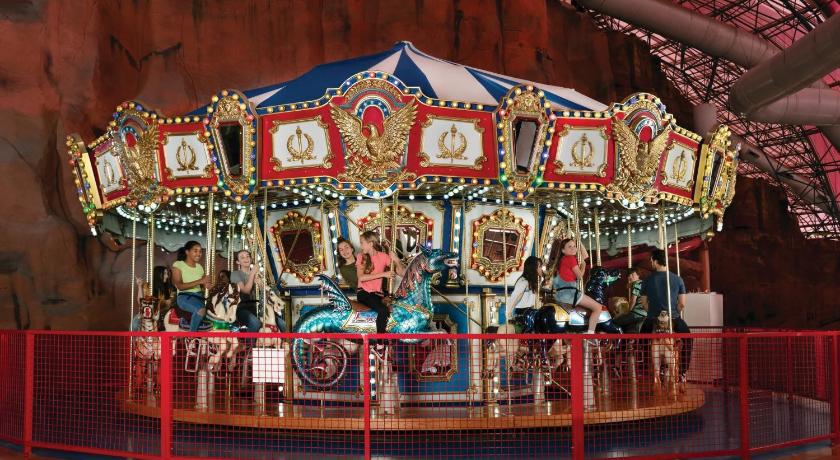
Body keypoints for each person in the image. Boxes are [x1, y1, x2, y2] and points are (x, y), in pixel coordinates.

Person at [639, 249, 691, 382]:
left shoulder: (647, 280)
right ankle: (683, 371)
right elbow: (682, 304)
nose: (651, 263)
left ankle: (644, 369)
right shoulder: (678, 279)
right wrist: (674, 313)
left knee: (642, 340)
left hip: (652, 319)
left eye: (652, 260)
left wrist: (652, 312)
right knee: (688, 338)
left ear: (656, 261)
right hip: (673, 319)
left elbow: (643, 303)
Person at [356, 231, 405, 344]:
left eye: (362, 243)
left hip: (378, 294)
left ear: (371, 243)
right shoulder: (361, 256)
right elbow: (361, 278)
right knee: (383, 310)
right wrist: (383, 274)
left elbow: (402, 273)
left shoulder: (383, 256)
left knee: (397, 307)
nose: (361, 246)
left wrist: (396, 260)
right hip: (364, 293)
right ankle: (380, 343)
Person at [552, 238, 603, 334]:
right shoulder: (570, 259)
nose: (573, 248)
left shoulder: (562, 260)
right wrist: (583, 265)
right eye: (569, 247)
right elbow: (579, 276)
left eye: (574, 246)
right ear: (563, 250)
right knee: (598, 308)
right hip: (570, 293)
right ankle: (590, 334)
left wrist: (578, 241)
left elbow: (585, 256)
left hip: (561, 294)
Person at [171, 241, 211, 332]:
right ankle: (191, 335)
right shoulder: (178, 264)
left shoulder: (199, 267)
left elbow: (204, 284)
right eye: (195, 251)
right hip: (185, 297)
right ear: (187, 252)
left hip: (199, 297)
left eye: (200, 251)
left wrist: (208, 285)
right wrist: (200, 281)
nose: (199, 254)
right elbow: (179, 286)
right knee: (200, 310)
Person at [229, 250, 263, 333]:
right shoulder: (235, 274)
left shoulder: (258, 274)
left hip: (257, 306)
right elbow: (245, 291)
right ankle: (249, 341)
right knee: (255, 323)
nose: (246, 258)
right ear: (238, 262)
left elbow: (266, 292)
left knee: (280, 323)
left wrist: (261, 284)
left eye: (248, 256)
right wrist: (252, 274)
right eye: (242, 257)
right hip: (241, 307)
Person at [611, 267, 648, 333]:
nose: (630, 276)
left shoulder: (637, 284)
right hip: (644, 314)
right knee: (630, 330)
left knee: (614, 322)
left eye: (633, 274)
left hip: (636, 313)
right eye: (629, 275)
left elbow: (633, 300)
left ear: (638, 275)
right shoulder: (643, 283)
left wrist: (628, 311)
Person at [506, 256, 543, 321]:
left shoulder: (532, 282)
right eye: (539, 267)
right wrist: (509, 312)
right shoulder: (524, 282)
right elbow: (516, 296)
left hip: (530, 312)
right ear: (533, 268)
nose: (541, 269)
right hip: (522, 314)